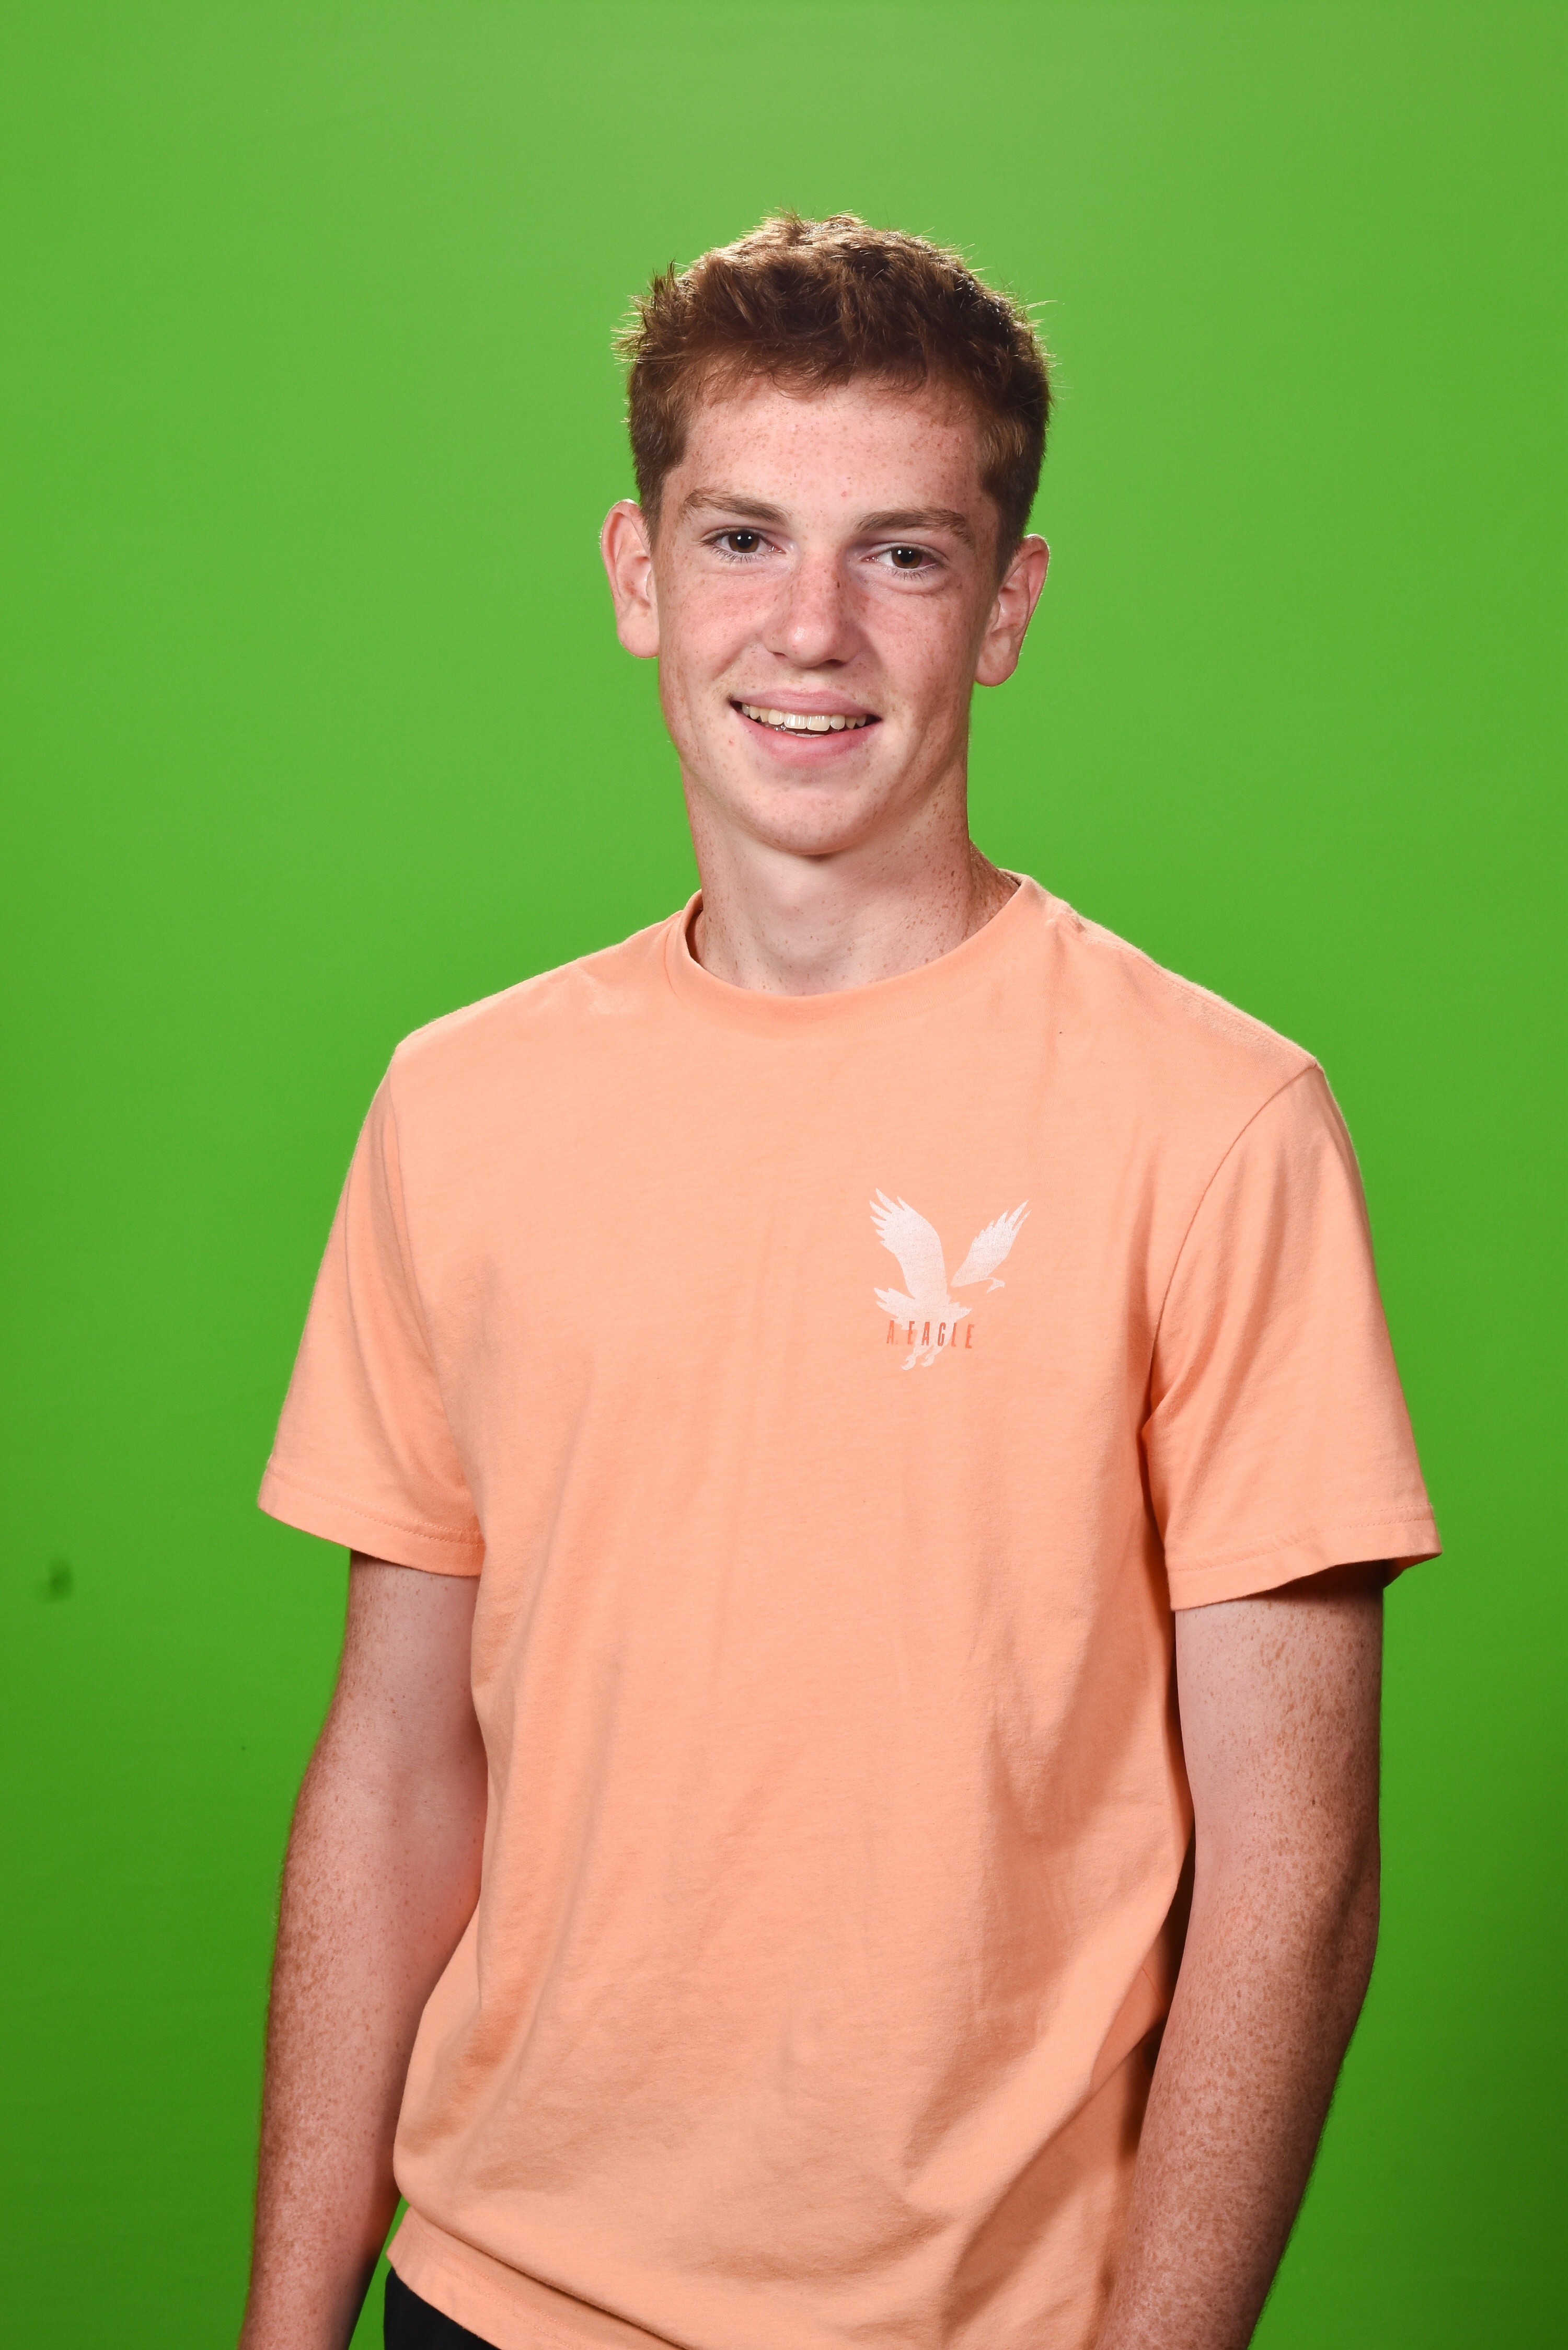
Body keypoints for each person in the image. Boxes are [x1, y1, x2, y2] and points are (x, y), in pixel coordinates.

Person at [238, 214, 1438, 2350]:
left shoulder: (1215, 1121)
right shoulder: (458, 1104)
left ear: (1007, 604)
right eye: (743, 539)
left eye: (901, 553)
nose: (810, 629)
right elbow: (397, 1771)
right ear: (638, 574)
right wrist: (283, 2322)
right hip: (489, 2295)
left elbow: (1299, 1881)